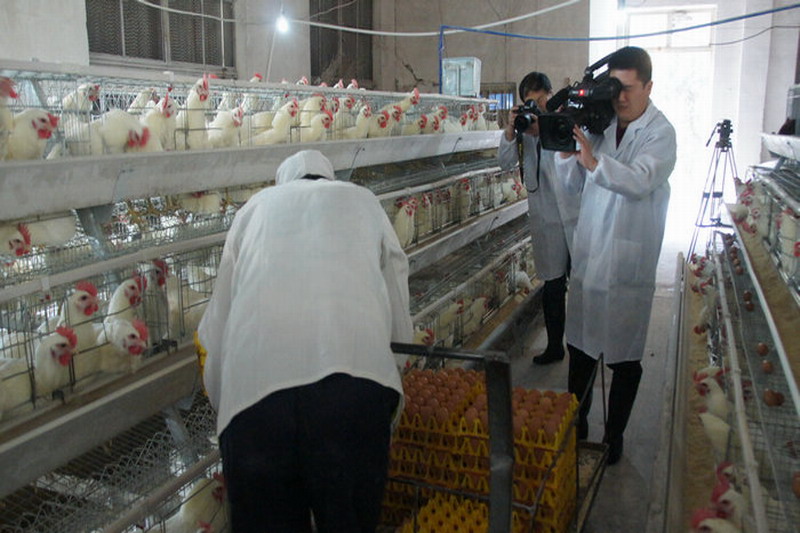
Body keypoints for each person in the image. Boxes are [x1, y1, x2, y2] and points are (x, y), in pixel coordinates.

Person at [198, 149, 413, 532]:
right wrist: (389, 374)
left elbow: (217, 326)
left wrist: (226, 402)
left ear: (282, 182)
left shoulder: (253, 210)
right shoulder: (363, 201)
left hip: (257, 405)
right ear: (329, 177)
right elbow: (396, 286)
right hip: (353, 394)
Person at [555, 46, 677, 465]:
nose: (620, 98)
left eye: (628, 88)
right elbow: (572, 186)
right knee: (581, 350)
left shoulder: (661, 133)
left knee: (624, 359)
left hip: (629, 263)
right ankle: (577, 425)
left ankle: (614, 435)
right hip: (592, 254)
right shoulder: (602, 124)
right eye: (614, 88)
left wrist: (594, 162)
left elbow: (640, 179)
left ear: (648, 87)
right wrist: (567, 154)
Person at [497, 71, 580, 365]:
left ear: (550, 95)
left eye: (542, 100)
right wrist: (512, 130)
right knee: (552, 285)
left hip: (574, 215)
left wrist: (545, 125)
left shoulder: (566, 118)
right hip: (545, 216)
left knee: (581, 283)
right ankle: (555, 346)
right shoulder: (524, 128)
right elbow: (504, 162)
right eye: (531, 102)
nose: (537, 107)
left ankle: (584, 349)